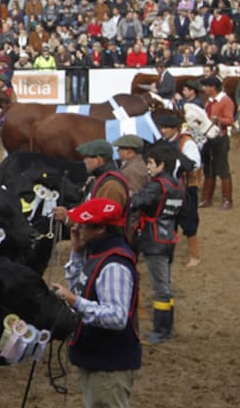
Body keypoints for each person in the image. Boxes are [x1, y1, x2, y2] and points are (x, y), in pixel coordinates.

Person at [53, 198, 140, 408]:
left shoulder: (114, 264)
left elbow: (117, 316)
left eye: (82, 225)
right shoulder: (96, 254)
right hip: (98, 357)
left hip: (110, 360)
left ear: (101, 227)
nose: (76, 228)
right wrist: (76, 253)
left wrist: (76, 302)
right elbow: (79, 284)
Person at [129, 144, 185, 345]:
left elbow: (137, 202)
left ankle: (161, 330)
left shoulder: (156, 185)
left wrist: (128, 196)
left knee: (160, 288)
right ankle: (166, 328)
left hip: (153, 241)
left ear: (162, 165)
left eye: (151, 163)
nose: (148, 167)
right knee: (165, 285)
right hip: (169, 237)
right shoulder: (178, 185)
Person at [154, 111, 203, 267]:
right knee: (168, 220)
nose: (163, 131)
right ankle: (168, 252)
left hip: (186, 188)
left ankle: (194, 255)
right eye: (162, 127)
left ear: (175, 128)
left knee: (189, 221)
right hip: (167, 188)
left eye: (166, 128)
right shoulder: (161, 142)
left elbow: (194, 163)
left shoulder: (186, 142)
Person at [53, 140, 130, 223]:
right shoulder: (99, 179)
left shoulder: (111, 185)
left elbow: (104, 220)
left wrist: (68, 220)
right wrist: (70, 214)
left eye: (87, 157)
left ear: (98, 160)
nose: (84, 161)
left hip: (106, 236)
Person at [199, 77, 235, 209]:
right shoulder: (209, 102)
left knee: (222, 168)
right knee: (208, 169)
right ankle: (206, 198)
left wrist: (218, 119)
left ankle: (227, 199)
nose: (204, 89)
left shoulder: (225, 101)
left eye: (206, 86)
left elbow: (230, 120)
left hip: (220, 138)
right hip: (209, 138)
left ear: (213, 87)